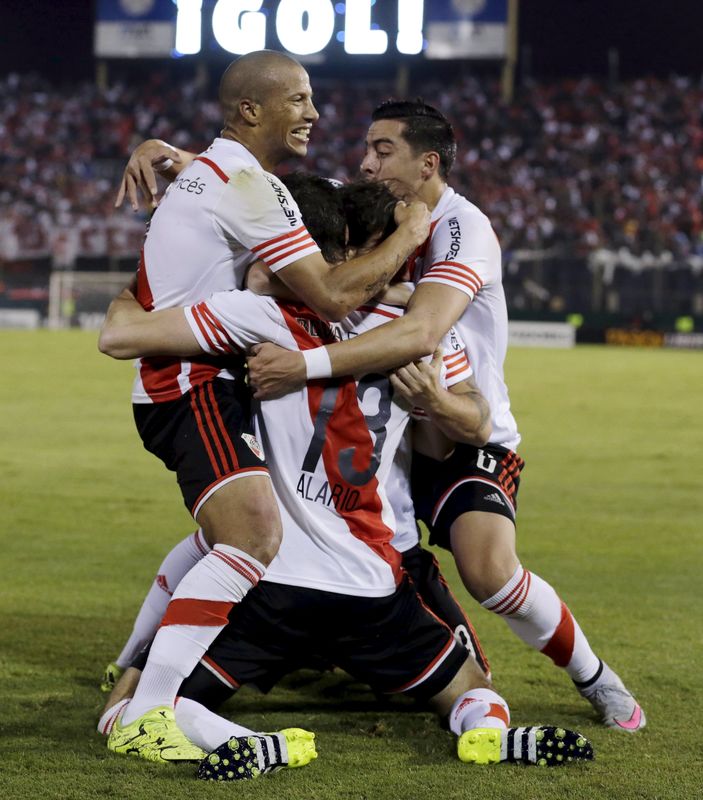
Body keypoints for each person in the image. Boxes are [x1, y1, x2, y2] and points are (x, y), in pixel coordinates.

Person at [98, 176, 594, 777]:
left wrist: (136, 289)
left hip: (271, 583)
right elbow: (477, 421)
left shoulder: (264, 317)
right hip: (370, 585)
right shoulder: (423, 335)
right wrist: (431, 400)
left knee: (138, 705)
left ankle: (243, 740)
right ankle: (488, 735)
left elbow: (123, 337)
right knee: (477, 691)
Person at [245, 100, 646, 732]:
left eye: (382, 150)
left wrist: (305, 366)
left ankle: (595, 677)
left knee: (488, 571)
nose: (365, 162)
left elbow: (424, 330)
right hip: (388, 440)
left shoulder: (462, 228)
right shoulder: (377, 213)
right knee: (302, 538)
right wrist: (186, 165)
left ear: (427, 163)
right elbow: (284, 204)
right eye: (366, 149)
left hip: (461, 424)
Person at [105, 53, 431, 764]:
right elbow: (332, 295)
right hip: (188, 384)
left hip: (188, 380)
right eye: (299, 99)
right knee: (253, 532)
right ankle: (147, 711)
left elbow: (232, 194)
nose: (313, 113)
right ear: (251, 111)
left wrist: (167, 150)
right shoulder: (248, 186)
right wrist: (409, 235)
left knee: (222, 533)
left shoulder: (213, 175)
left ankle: (135, 672)